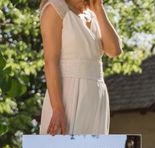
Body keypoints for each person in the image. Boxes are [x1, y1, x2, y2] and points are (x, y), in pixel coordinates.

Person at [39, 0, 122, 135]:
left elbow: (114, 50)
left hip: (96, 94)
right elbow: (50, 61)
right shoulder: (54, 8)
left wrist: (99, 9)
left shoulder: (93, 14)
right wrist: (58, 109)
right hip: (67, 94)